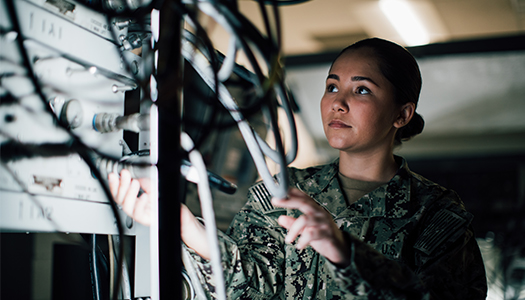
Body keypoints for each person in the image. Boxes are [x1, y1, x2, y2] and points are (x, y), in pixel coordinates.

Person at [109, 38, 487, 299]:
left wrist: (345, 253)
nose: (337, 103)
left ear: (402, 115)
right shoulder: (281, 195)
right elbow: (248, 284)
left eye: (362, 90)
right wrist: (186, 226)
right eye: (331, 86)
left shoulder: (436, 216)